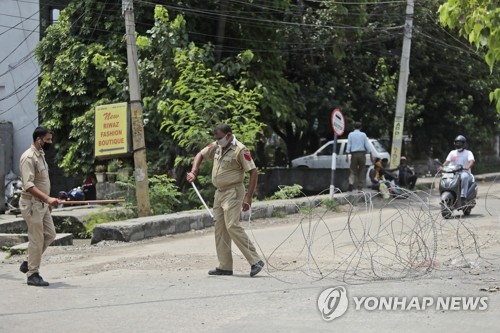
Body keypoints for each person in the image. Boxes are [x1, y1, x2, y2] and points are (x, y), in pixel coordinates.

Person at [186, 124, 265, 277]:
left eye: (220, 138)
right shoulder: (216, 146)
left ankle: (255, 261)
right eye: (216, 138)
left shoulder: (240, 150)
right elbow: (200, 155)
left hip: (234, 192)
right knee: (220, 228)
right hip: (219, 193)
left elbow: (254, 172)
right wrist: (194, 171)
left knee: (232, 226)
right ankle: (225, 266)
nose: (218, 141)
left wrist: (249, 197)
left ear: (229, 135)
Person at [18, 126, 60, 287]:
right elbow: (28, 185)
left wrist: (47, 201)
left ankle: (28, 262)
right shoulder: (28, 157)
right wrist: (47, 198)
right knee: (37, 239)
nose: (50, 142)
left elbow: (42, 182)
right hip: (32, 204)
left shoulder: (40, 155)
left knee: (50, 234)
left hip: (42, 204)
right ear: (38, 139)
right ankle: (32, 274)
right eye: (48, 140)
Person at [443, 135, 475, 206]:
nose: (458, 144)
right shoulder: (452, 152)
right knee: (445, 177)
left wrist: (468, 166)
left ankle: (463, 197)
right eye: (457, 143)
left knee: (464, 177)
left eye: (460, 143)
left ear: (464, 143)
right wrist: (442, 167)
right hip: (453, 173)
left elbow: (471, 161)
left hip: (464, 172)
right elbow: (447, 161)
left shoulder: (468, 153)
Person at [346, 122, 371, 191]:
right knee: (362, 170)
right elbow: (367, 145)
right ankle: (360, 186)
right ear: (361, 127)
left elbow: (349, 145)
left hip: (353, 154)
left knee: (352, 170)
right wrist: (370, 153)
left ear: (354, 127)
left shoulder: (350, 134)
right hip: (362, 154)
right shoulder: (363, 134)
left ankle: (351, 183)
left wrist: (347, 154)